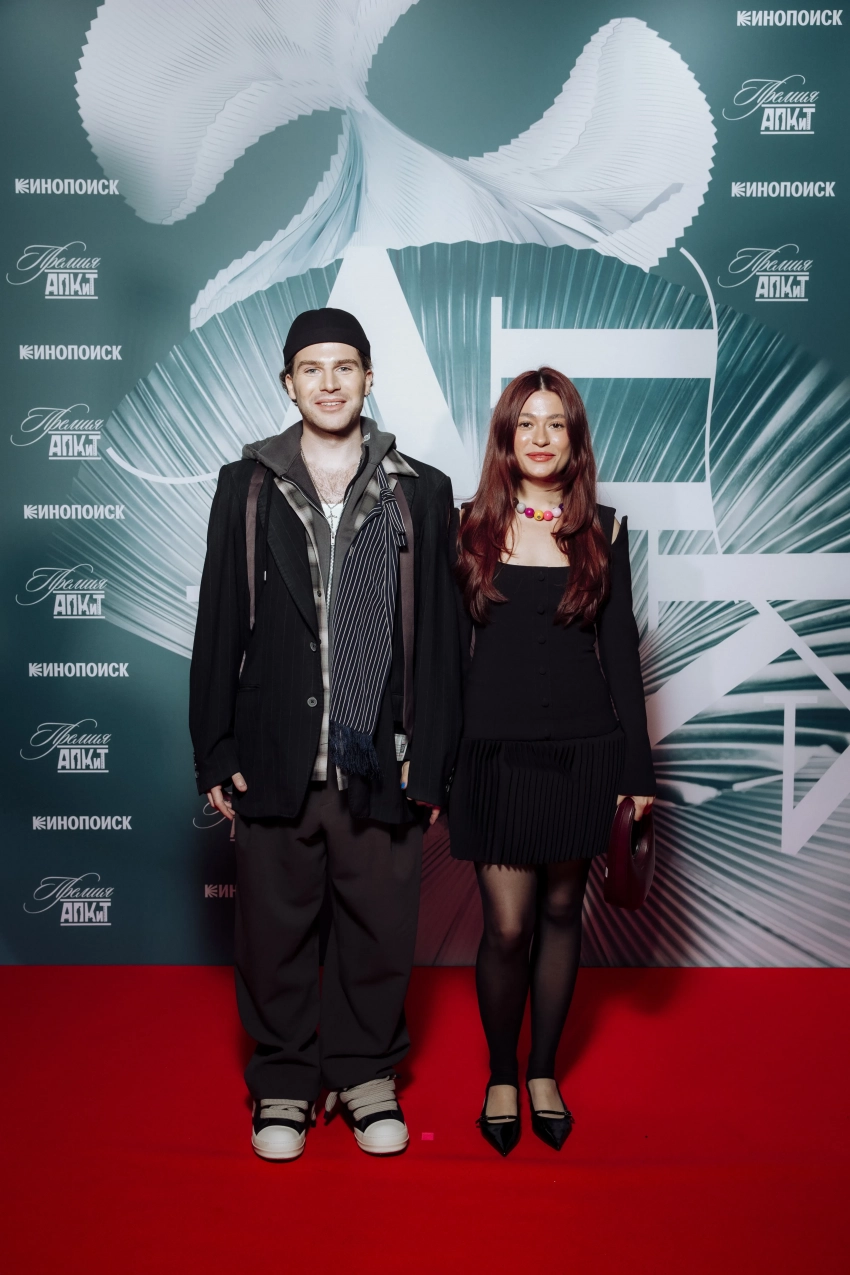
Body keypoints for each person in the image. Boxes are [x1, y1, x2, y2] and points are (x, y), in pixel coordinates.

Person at [190, 307, 460, 1160]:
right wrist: (215, 748)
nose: (330, 382)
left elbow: (441, 639)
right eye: (312, 368)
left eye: (346, 366)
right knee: (272, 934)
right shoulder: (248, 485)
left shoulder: (421, 490)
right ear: (289, 383)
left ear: (369, 378)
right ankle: (282, 1081)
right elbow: (218, 625)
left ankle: (367, 1072)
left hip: (380, 758)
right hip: (275, 755)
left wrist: (433, 762)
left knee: (378, 928)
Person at [450, 367, 655, 1156]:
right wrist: (433, 763)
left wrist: (637, 771)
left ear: (574, 439)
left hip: (583, 752)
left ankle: (542, 1072)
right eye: (526, 423)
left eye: (555, 424)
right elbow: (445, 660)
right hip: (492, 755)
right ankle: (501, 1071)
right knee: (507, 926)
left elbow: (620, 654)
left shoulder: (605, 527)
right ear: (507, 436)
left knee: (563, 914)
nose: (540, 437)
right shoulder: (467, 526)